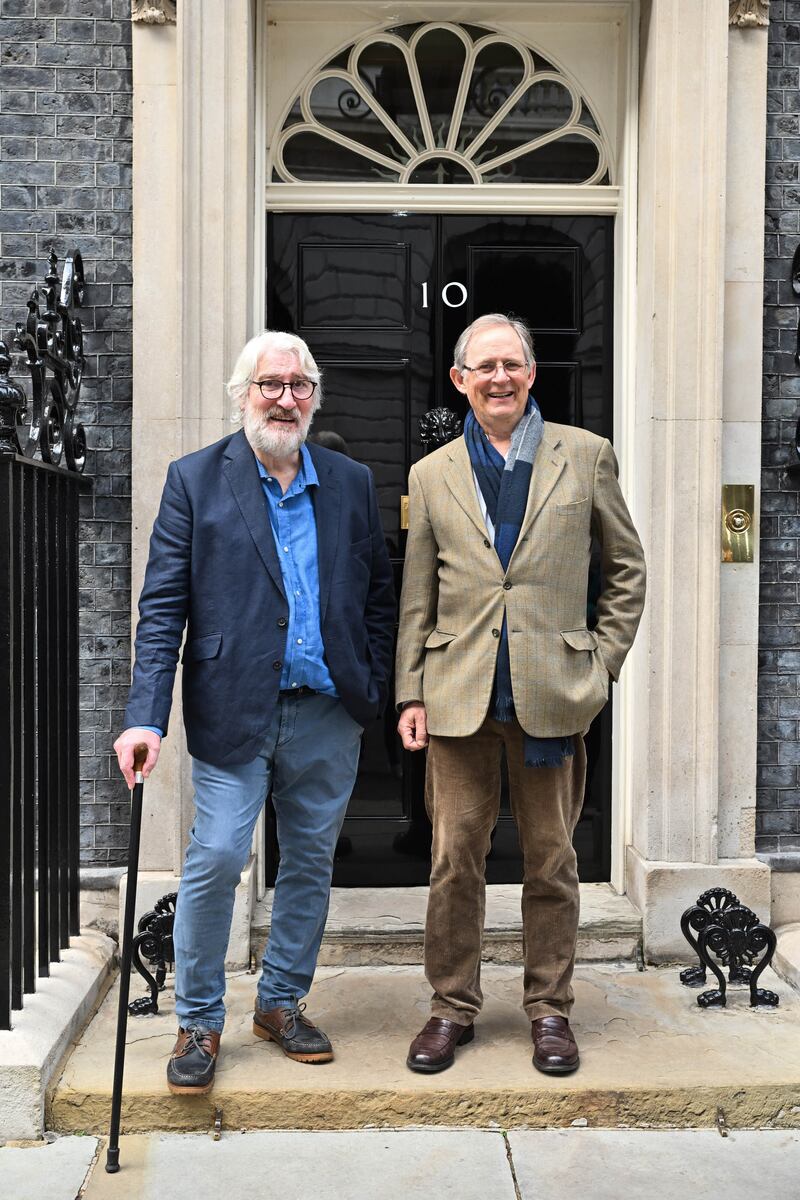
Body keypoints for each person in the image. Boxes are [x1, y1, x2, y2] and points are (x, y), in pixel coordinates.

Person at [114, 330, 395, 1094]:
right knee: (215, 860)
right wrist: (145, 717)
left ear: (314, 396)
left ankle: (279, 1004)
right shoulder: (196, 480)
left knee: (309, 863)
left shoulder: (350, 480)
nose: (286, 397)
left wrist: (371, 685)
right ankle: (199, 1020)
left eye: (300, 384)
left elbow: (377, 594)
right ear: (242, 394)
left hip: (327, 711)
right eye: (270, 384)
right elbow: (163, 605)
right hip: (233, 707)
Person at [395, 313, 645, 1076]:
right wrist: (410, 691)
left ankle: (548, 1009)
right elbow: (416, 596)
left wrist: (601, 663)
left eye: (512, 364)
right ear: (460, 380)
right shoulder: (431, 473)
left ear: (531, 373)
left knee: (553, 862)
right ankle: (450, 1007)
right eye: (484, 366)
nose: (499, 378)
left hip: (552, 695)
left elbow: (625, 571)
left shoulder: (587, 456)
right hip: (459, 697)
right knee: (454, 861)